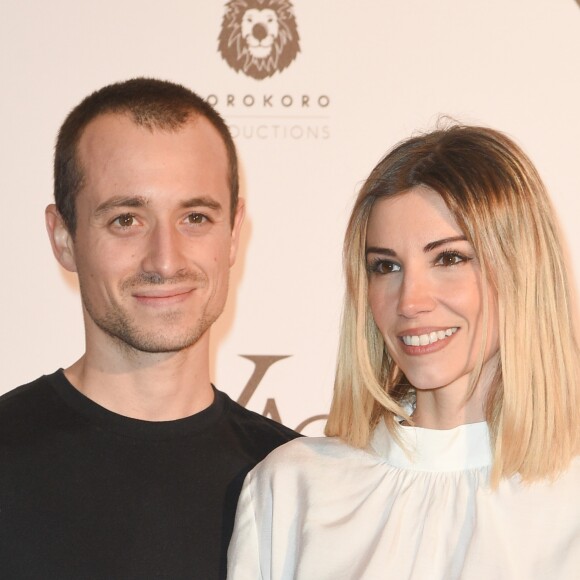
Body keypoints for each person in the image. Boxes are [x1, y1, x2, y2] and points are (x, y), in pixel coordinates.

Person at [227, 125, 580, 579]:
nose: (410, 301)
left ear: (522, 268)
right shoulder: (293, 490)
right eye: (386, 266)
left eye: (449, 258)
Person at [0, 78, 298, 579]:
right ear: (63, 237)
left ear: (233, 234)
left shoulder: (296, 482)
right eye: (125, 220)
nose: (165, 259)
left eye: (196, 217)